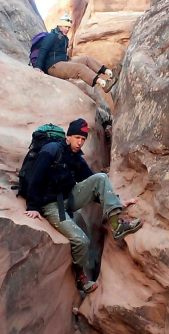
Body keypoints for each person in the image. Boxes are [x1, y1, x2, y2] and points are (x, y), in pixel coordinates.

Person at [24, 118, 143, 294]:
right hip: (53, 205)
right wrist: (33, 206)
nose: (80, 142)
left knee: (101, 178)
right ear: (68, 136)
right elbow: (36, 178)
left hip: (69, 198)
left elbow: (93, 185)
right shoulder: (51, 151)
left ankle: (117, 226)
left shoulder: (76, 158)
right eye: (77, 137)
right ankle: (81, 278)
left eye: (83, 139)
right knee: (81, 241)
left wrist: (117, 201)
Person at [35, 14, 116, 91]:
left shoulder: (64, 38)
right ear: (60, 26)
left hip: (63, 63)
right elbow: (43, 50)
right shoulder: (51, 36)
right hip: (53, 66)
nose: (67, 29)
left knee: (86, 59)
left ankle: (109, 73)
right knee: (80, 68)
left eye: (68, 27)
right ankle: (104, 84)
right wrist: (38, 67)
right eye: (65, 26)